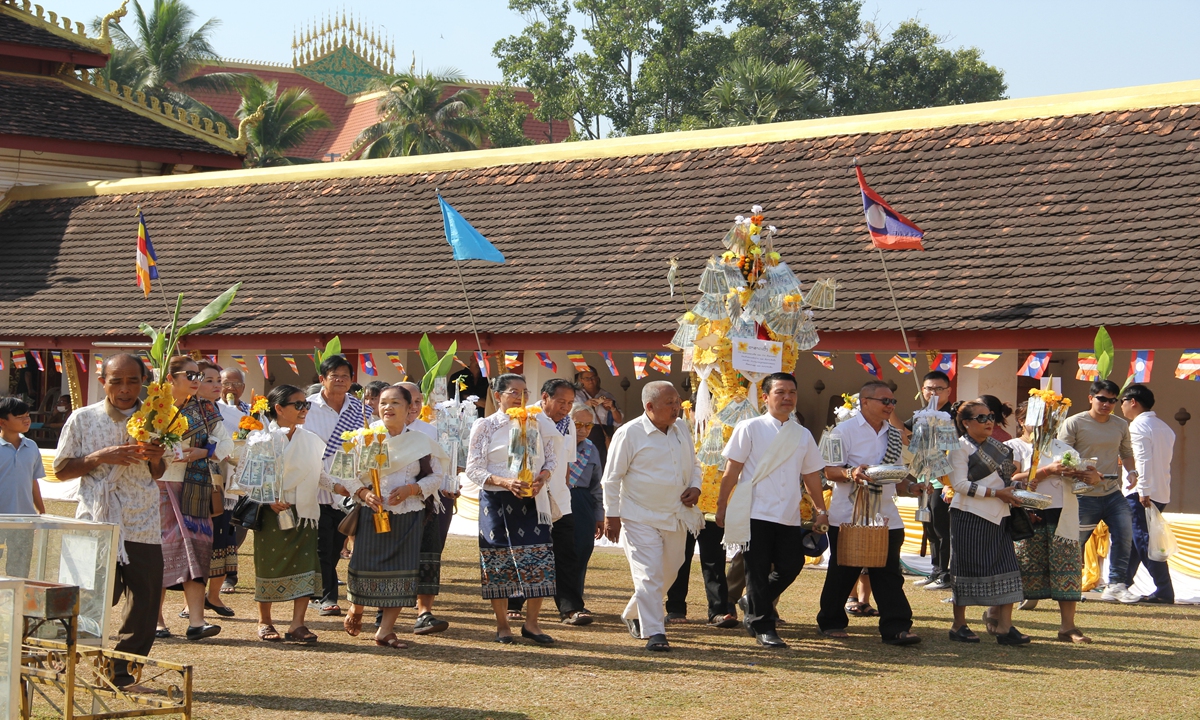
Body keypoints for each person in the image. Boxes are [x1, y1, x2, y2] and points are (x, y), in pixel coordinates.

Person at [54, 354, 167, 692]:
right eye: (116, 380)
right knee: (85, 596)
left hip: (142, 521)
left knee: (145, 601)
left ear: (143, 382)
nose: (125, 388)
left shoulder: (158, 417)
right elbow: (61, 470)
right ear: (103, 381)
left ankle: (119, 674)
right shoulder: (82, 419)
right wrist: (100, 457)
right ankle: (65, 662)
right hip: (96, 517)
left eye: (133, 380)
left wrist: (157, 458)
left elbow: (159, 473)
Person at [716, 373, 828, 649]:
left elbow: (812, 475)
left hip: (787, 513)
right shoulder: (749, 428)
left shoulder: (802, 434)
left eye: (792, 392)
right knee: (756, 569)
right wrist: (721, 506)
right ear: (765, 397)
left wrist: (820, 509)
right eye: (780, 392)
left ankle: (753, 602)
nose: (787, 397)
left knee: (792, 564)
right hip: (755, 510)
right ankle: (764, 626)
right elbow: (732, 471)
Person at [341, 385, 451, 649]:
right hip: (372, 513)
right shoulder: (362, 438)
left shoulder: (422, 442)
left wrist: (412, 489)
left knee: (402, 573)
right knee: (364, 566)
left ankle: (385, 630)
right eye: (383, 403)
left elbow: (437, 475)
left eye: (395, 403)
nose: (388, 408)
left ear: (409, 408)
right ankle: (356, 608)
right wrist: (363, 492)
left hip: (408, 514)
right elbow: (341, 471)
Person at [817, 380, 921, 646]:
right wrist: (852, 473)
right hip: (849, 513)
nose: (890, 406)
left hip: (886, 513)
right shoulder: (842, 431)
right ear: (864, 402)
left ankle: (895, 627)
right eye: (884, 401)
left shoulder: (895, 435)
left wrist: (912, 486)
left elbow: (896, 475)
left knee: (888, 573)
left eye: (892, 401)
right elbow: (829, 471)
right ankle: (830, 621)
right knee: (843, 572)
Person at [603, 381, 702, 652]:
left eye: (677, 401)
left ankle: (634, 613)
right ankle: (656, 631)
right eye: (669, 403)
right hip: (639, 514)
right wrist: (612, 515)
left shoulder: (681, 428)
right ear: (649, 407)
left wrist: (696, 486)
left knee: (671, 568)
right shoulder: (629, 433)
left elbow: (694, 464)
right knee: (649, 574)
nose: (676, 407)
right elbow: (611, 479)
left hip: (676, 514)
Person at [466, 373, 557, 645]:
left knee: (538, 557)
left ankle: (532, 623)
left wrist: (543, 477)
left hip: (532, 499)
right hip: (496, 501)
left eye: (524, 392)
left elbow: (550, 458)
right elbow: (473, 468)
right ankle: (503, 624)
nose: (520, 397)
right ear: (498, 396)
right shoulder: (485, 426)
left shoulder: (537, 422)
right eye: (513, 392)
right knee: (498, 561)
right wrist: (504, 481)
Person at [249, 384, 333, 644]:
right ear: (278, 408)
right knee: (268, 565)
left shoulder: (311, 440)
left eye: (306, 405)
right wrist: (268, 499)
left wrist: (345, 487)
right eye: (298, 405)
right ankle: (265, 621)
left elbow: (320, 475)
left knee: (308, 567)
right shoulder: (261, 438)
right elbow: (249, 478)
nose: (304, 410)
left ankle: (297, 624)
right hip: (272, 512)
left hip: (305, 511)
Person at [1006, 401, 1095, 642]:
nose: (1043, 424)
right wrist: (1046, 472)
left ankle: (1068, 627)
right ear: (1022, 421)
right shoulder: (1012, 447)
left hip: (1062, 514)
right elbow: (1008, 478)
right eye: (1036, 418)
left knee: (1067, 568)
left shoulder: (1063, 448)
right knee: (1019, 568)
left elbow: (1081, 485)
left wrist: (1089, 476)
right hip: (1026, 515)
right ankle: (999, 618)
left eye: (1048, 419)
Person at [155, 357, 227, 641]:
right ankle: (156, 620)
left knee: (197, 548)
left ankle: (197, 621)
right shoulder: (154, 407)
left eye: (200, 375)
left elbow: (227, 441)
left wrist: (205, 452)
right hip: (159, 485)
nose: (197, 381)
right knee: (159, 551)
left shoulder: (206, 408)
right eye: (191, 375)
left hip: (195, 484)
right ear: (171, 378)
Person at [947, 400, 1028, 645]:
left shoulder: (999, 447)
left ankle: (1005, 627)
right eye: (981, 418)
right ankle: (958, 624)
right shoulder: (959, 448)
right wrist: (997, 494)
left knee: (1007, 569)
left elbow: (1004, 481)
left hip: (999, 515)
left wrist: (1017, 489)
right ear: (966, 423)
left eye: (991, 416)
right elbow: (959, 485)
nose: (989, 422)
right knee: (964, 570)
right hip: (969, 515)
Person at [509, 379, 587, 625]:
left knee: (566, 553)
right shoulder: (525, 418)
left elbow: (566, 465)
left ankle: (571, 608)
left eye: (570, 403)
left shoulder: (569, 425)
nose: (566, 407)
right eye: (561, 401)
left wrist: (563, 492)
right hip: (528, 495)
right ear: (544, 397)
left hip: (560, 500)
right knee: (526, 551)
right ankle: (514, 603)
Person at [1059, 379, 1139, 603]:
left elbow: (1126, 452)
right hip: (1083, 493)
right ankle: (1068, 585)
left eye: (1112, 400)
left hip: (1112, 492)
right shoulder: (1074, 423)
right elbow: (1062, 458)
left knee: (1125, 534)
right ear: (1091, 398)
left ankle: (1116, 585)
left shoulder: (1120, 424)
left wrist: (1132, 472)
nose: (1107, 404)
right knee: (1076, 541)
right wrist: (1085, 472)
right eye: (1102, 399)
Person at [303, 355, 362, 616]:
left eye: (345, 376)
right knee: (320, 544)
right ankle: (326, 596)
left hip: (347, 488)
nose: (340, 380)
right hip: (314, 484)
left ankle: (319, 591)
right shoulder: (306, 408)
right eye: (334, 375)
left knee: (337, 542)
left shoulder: (360, 410)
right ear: (322, 379)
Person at [397, 381, 455, 635]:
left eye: (418, 401)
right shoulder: (376, 432)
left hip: (425, 501)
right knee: (393, 558)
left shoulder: (430, 431)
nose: (414, 407)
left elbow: (438, 468)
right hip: (390, 504)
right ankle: (383, 610)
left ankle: (424, 613)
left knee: (428, 555)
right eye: (406, 401)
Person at [1120, 384, 1176, 604]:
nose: (1120, 406)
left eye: (1122, 401)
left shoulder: (1138, 426)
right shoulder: (1164, 427)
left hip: (1142, 493)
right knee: (1135, 541)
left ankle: (1164, 590)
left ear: (1133, 402)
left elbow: (1143, 460)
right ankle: (1120, 583)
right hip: (1160, 491)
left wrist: (1143, 490)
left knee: (1144, 541)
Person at [192, 361, 237, 616]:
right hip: (185, 485)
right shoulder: (181, 410)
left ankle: (214, 596)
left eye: (218, 381)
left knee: (222, 538)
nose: (216, 386)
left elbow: (229, 446)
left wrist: (207, 451)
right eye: (209, 381)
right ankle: (191, 602)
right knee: (195, 542)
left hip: (219, 485)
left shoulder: (225, 413)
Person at [905, 371, 954, 591]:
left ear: (948, 391)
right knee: (929, 527)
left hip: (943, 480)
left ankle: (946, 573)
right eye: (928, 388)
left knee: (942, 528)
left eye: (938, 388)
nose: (933, 392)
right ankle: (935, 570)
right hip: (924, 478)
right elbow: (904, 430)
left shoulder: (953, 413)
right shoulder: (922, 414)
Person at [0, 396, 45, 579]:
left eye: (27, 415)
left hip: (24, 520)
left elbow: (33, 481)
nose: (26, 419)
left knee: (19, 571)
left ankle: (14, 606)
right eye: (19, 416)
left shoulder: (32, 447)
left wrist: (41, 511)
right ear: (2, 422)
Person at [567, 404, 605, 612]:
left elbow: (596, 484)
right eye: (578, 424)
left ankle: (575, 602)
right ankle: (519, 602)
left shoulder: (591, 449)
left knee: (581, 549)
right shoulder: (554, 442)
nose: (583, 430)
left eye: (588, 425)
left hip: (581, 500)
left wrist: (599, 515)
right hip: (555, 498)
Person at [216, 366, 250, 594]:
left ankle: (231, 573)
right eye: (226, 383)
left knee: (238, 524)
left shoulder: (251, 411)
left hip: (241, 473)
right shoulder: (213, 408)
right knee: (219, 523)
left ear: (243, 388)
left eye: (236, 384)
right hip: (217, 470)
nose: (231, 389)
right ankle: (218, 572)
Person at [575, 365, 624, 462]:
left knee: (602, 463)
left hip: (603, 435)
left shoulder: (607, 395)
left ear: (597, 378)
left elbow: (619, 421)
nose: (591, 380)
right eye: (587, 378)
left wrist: (612, 408)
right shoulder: (576, 395)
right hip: (582, 432)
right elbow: (569, 415)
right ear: (581, 380)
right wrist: (586, 405)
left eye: (593, 377)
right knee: (583, 462)